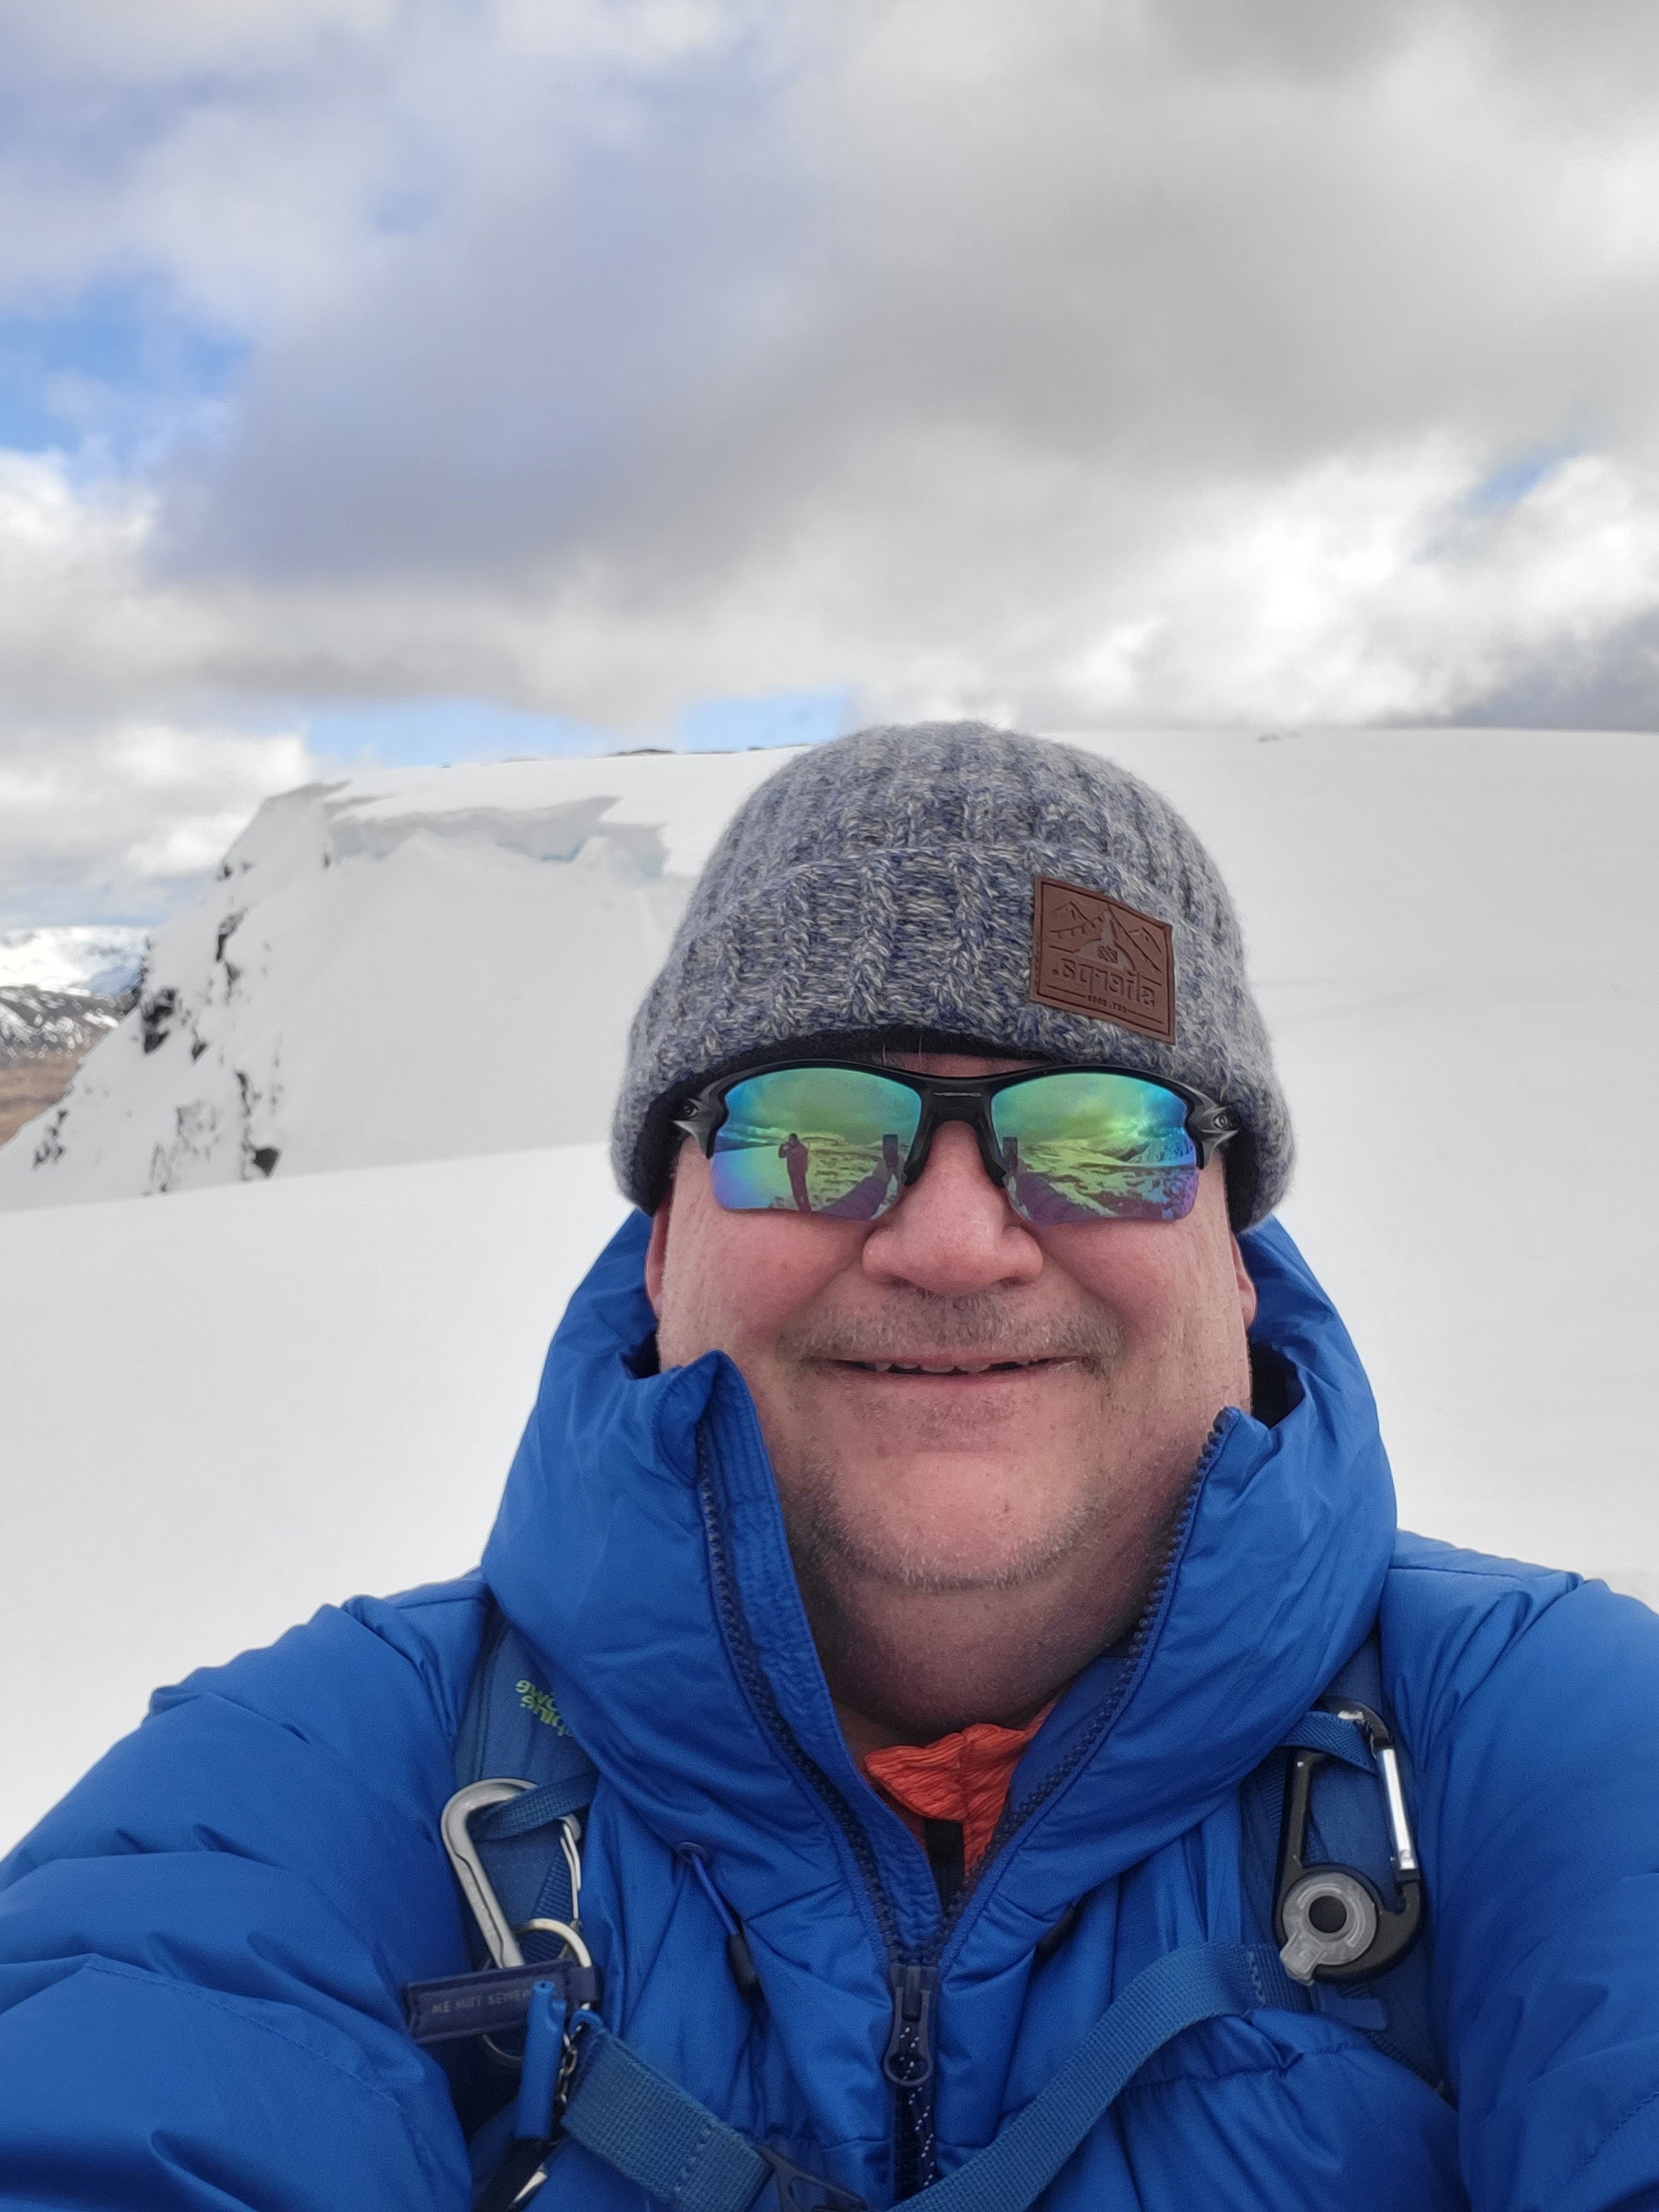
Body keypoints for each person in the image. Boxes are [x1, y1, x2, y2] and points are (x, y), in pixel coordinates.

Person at [2, 721, 1657, 2212]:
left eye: (1104, 1133)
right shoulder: (315, 1779)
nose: (951, 1240)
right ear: (662, 1244)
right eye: (813, 1127)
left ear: (1233, 1253)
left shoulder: (1550, 1735)